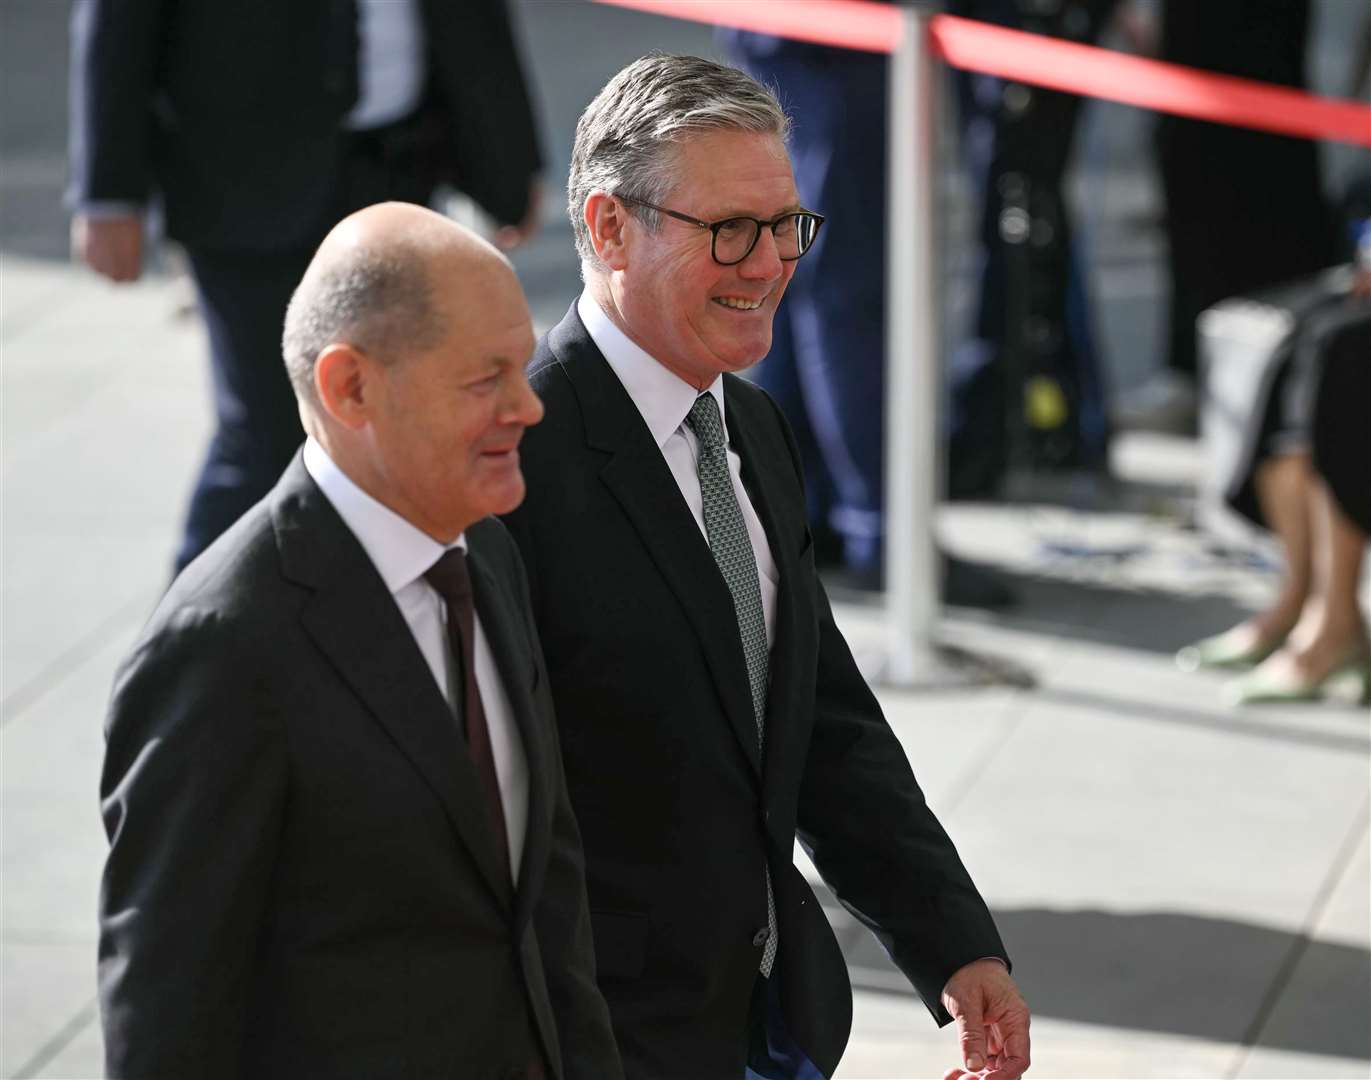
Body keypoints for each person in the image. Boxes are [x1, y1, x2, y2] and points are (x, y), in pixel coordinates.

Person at [501, 56, 1029, 1080]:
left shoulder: (748, 425)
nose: (772, 263)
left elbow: (821, 716)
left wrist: (952, 941)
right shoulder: (519, 468)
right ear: (610, 229)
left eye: (787, 224)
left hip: (770, 1020)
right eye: (730, 231)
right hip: (605, 1042)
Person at [98, 204, 621, 1080]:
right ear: (351, 389)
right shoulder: (222, 649)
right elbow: (166, 1014)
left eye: (522, 367)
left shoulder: (484, 548)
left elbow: (545, 909)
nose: (528, 405)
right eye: (484, 379)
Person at [68, 0, 543, 571]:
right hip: (244, 170)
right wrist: (108, 188)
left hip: (400, 156)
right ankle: (195, 648)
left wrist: (508, 154)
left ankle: (368, 624)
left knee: (398, 427)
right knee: (266, 436)